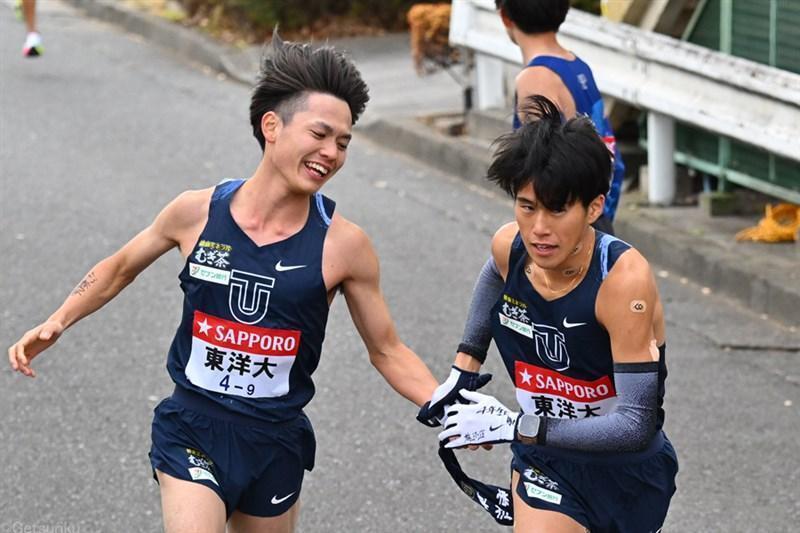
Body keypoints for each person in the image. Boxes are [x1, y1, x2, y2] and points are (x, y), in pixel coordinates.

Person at [8, 33, 439, 533]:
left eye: (343, 142)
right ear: (271, 125)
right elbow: (120, 266)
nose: (332, 153)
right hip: (194, 424)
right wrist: (58, 319)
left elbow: (387, 349)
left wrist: (446, 406)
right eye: (320, 134)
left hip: (276, 438)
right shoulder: (196, 213)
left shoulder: (344, 245)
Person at [421, 96, 678, 532]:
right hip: (545, 461)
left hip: (627, 470)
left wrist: (515, 424)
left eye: (557, 209)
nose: (539, 227)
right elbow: (494, 273)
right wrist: (465, 364)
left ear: (594, 208)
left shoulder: (622, 281)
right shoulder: (511, 245)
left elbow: (635, 424)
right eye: (526, 206)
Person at [498, 0, 624, 233]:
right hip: (593, 210)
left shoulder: (536, 78)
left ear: (505, 16)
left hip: (563, 229)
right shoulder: (577, 65)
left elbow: (541, 170)